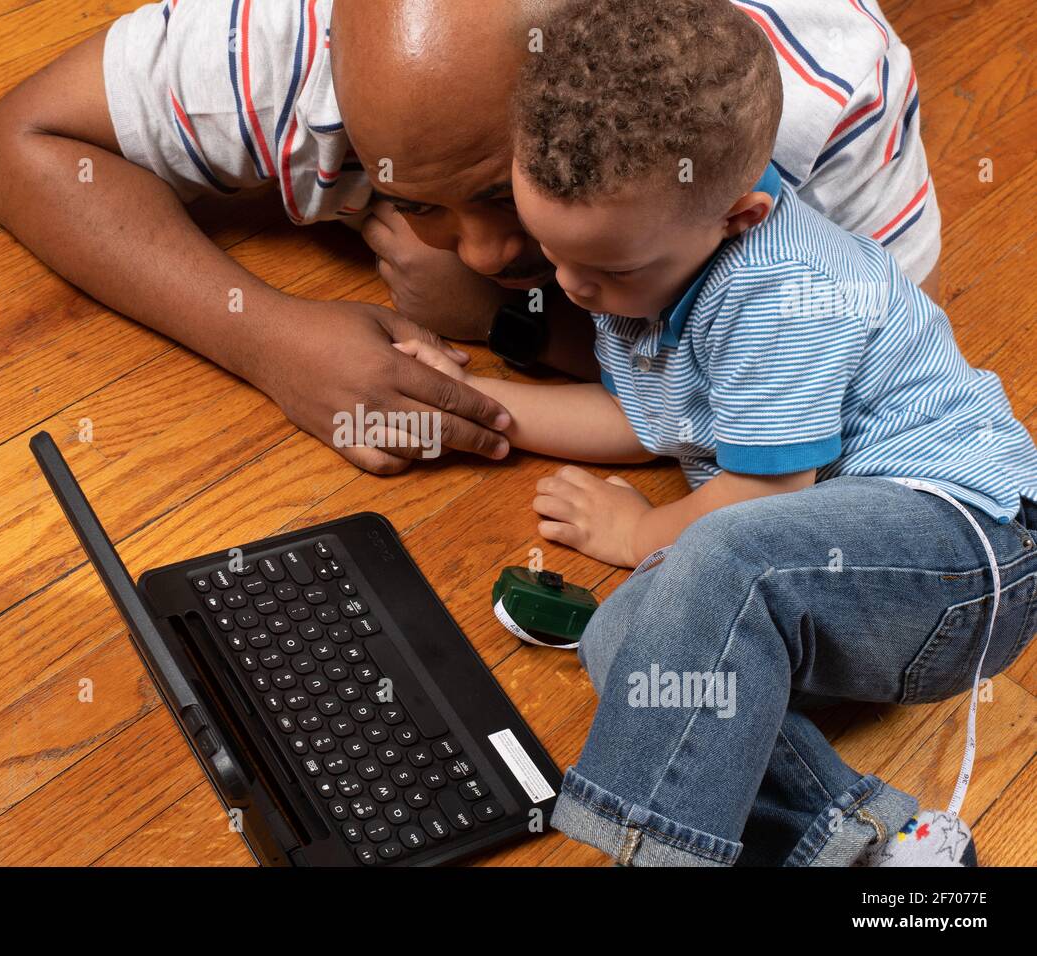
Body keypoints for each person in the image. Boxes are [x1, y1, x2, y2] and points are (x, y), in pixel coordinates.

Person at [396, 0, 1037, 866]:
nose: (573, 290)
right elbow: (650, 416)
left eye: (607, 270)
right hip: (833, 576)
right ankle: (871, 848)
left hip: (968, 547)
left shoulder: (785, 290)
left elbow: (764, 495)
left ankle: (653, 855)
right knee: (628, 634)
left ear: (737, 216)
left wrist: (638, 532)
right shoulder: (659, 257)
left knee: (709, 562)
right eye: (553, 254)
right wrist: (465, 401)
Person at [0, 0, 941, 474]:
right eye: (415, 201)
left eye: (500, 194)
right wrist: (263, 333)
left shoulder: (824, 102)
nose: (472, 252)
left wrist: (514, 323)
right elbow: (15, 145)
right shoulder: (293, 41)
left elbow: (820, 415)